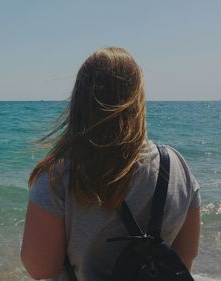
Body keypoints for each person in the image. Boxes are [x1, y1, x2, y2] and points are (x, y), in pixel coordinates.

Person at [21, 47, 201, 281]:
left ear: (80, 102)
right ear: (137, 98)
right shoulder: (175, 165)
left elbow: (40, 267)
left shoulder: (61, 175)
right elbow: (185, 258)